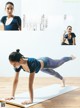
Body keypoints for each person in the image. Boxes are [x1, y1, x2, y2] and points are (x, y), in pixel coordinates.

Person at [6, 49, 76, 104]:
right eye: (12, 64)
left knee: (59, 63)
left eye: (14, 64)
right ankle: (63, 79)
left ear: (20, 60)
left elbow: (30, 84)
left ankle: (71, 57)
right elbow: (16, 80)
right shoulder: (18, 66)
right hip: (41, 68)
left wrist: (31, 100)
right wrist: (12, 96)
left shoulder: (31, 63)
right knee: (53, 73)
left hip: (47, 62)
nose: (14, 66)